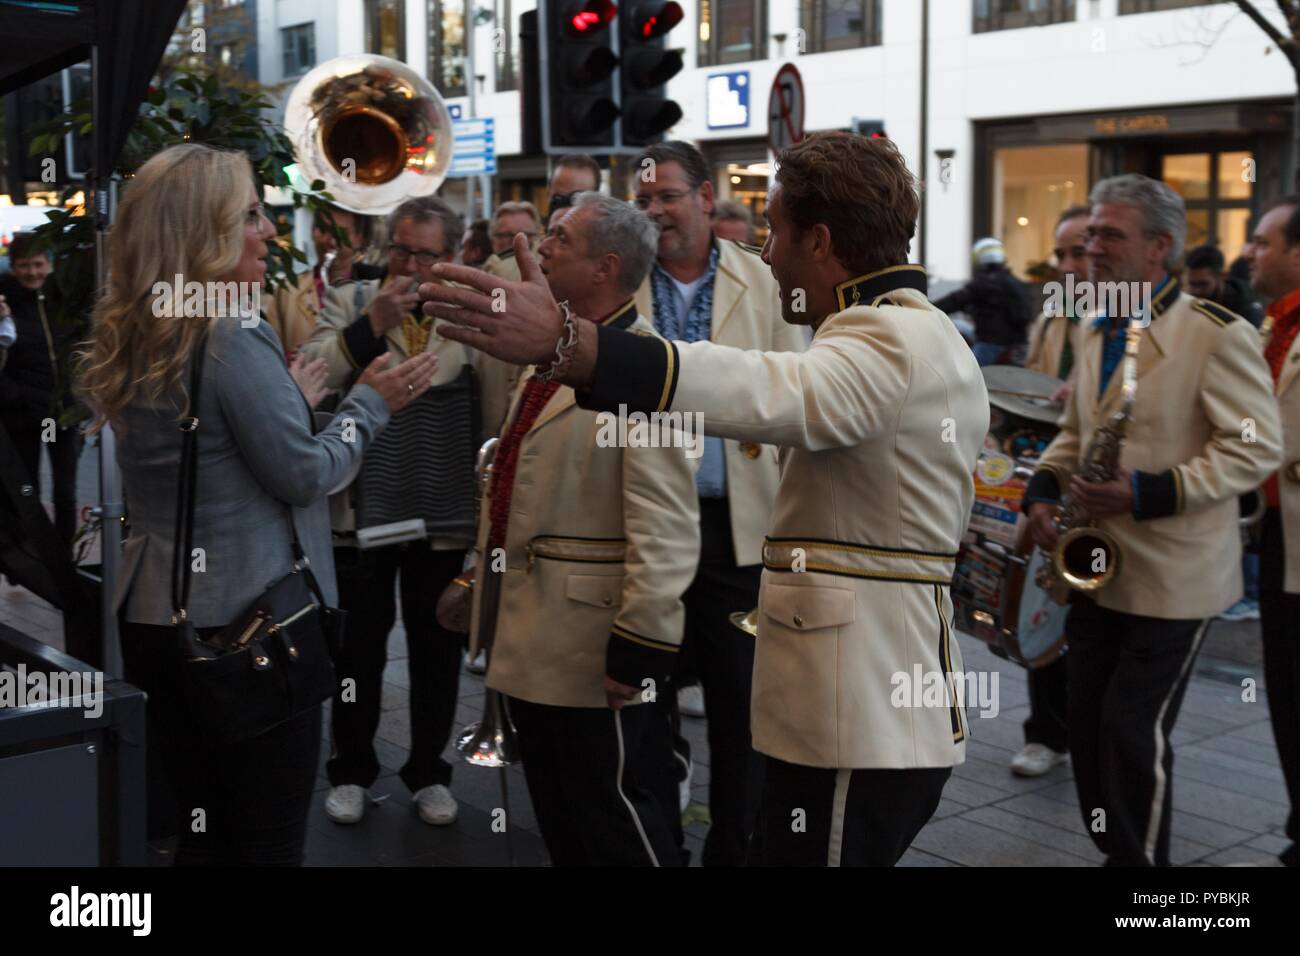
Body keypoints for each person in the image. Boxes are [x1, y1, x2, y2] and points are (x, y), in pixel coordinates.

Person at [422, 131, 990, 867]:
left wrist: (577, 346)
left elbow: (771, 390)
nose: (764, 253)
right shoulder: (892, 329)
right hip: (851, 709)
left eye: (775, 233)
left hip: (863, 714)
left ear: (819, 242)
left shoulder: (891, 335)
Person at [78, 143, 435, 865]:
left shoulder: (146, 323)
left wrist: (292, 404)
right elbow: (305, 475)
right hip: (251, 633)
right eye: (248, 215)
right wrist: (369, 404)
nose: (269, 231)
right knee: (263, 842)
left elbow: (203, 451)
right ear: (200, 232)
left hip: (156, 618)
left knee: (202, 828)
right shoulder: (232, 333)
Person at [1023, 174, 1282, 866]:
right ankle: (1118, 855)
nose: (1091, 245)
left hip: (1176, 574)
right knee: (1086, 724)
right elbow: (1076, 433)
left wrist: (1150, 492)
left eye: (1111, 234)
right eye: (1090, 233)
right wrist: (1044, 491)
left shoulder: (1215, 334)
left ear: (1160, 247)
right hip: (1096, 566)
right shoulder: (1091, 322)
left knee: (1130, 730)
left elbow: (1257, 446)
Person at [471, 192, 700, 865]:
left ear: (604, 267)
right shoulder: (551, 353)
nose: (540, 248)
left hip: (594, 653)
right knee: (568, 824)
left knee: (619, 823)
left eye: (559, 240)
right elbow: (510, 476)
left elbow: (667, 528)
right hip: (538, 640)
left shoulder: (646, 365)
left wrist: (638, 649)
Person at [302, 195, 517, 828]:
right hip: (362, 510)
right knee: (359, 652)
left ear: (452, 257)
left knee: (435, 650)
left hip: (444, 510)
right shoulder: (350, 300)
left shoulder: (470, 313)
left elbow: (499, 399)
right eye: (401, 249)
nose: (411, 264)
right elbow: (313, 370)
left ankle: (428, 771)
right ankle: (351, 771)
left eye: (426, 254)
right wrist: (372, 319)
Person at [631, 139, 805, 866]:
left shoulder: (762, 279)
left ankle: (734, 851)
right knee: (645, 705)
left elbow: (798, 393)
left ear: (707, 198)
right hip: (639, 531)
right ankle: (657, 846)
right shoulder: (617, 277)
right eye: (642, 201)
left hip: (737, 530)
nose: (655, 212)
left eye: (668, 196)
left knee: (744, 714)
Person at [1010, 205, 1092, 779]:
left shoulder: (1130, 319)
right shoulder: (1053, 315)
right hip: (1053, 472)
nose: (1066, 265)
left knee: (1088, 618)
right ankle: (1045, 732)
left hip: (1105, 488)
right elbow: (1034, 394)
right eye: (1060, 254)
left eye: (1077, 252)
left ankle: (1082, 731)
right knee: (1043, 598)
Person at [1245, 194, 1300, 867]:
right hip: (1278, 535)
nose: (1251, 252)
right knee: (1285, 690)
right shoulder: (1266, 327)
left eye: (1263, 242)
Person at [0, 232, 82, 552]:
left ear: (49, 264)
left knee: (65, 490)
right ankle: (28, 557)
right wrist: (14, 396)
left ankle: (64, 557)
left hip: (62, 411)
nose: (31, 272)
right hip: (22, 413)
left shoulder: (64, 296)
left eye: (38, 265)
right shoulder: (4, 299)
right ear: (13, 266)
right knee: (25, 488)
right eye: (24, 266)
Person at [262, 205, 381, 355]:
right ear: (313, 231)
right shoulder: (286, 291)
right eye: (324, 229)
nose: (331, 242)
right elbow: (268, 354)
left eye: (341, 234)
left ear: (361, 240)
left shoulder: (375, 290)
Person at [934, 237, 1033, 366]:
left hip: (992, 344)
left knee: (966, 373)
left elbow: (953, 301)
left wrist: (929, 307)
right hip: (1017, 343)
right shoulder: (1013, 281)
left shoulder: (982, 283)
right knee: (961, 325)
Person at [1184, 244, 1265, 329]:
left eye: (1203, 284)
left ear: (1222, 276)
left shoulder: (1247, 310)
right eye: (1192, 284)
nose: (1196, 291)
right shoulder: (1188, 305)